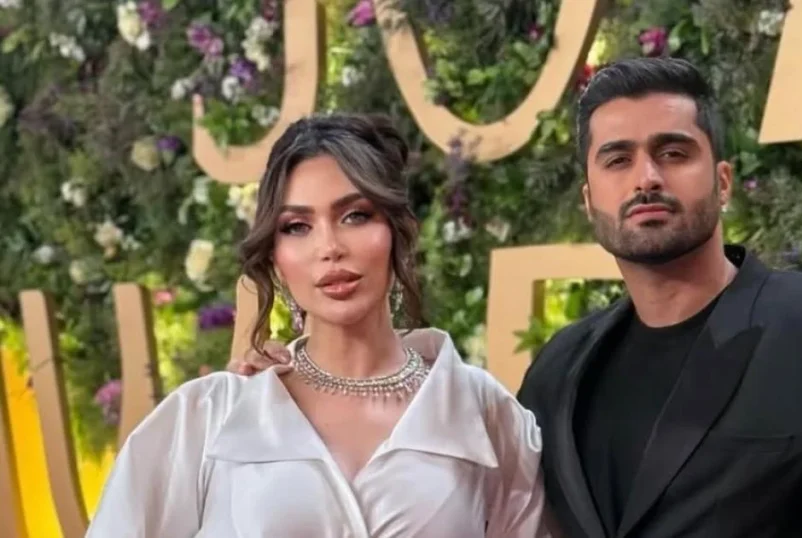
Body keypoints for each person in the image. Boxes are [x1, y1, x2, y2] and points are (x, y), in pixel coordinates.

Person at [232, 57, 802, 537]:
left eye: (673, 152)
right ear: (589, 198)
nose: (646, 178)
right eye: (617, 159)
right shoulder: (558, 373)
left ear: (723, 181)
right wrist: (295, 391)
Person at [86, 114, 553, 537]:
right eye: (297, 226)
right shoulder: (209, 416)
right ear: (275, 255)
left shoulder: (484, 413)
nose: (329, 247)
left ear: (398, 231)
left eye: (355, 216)